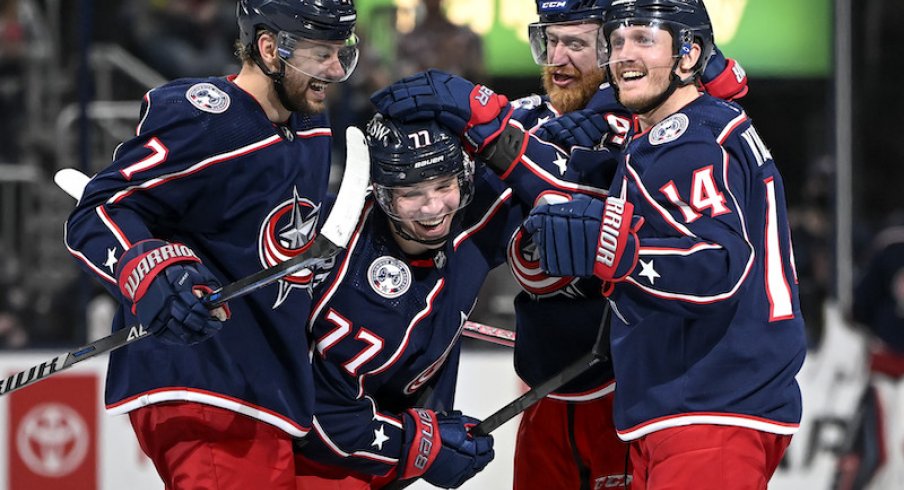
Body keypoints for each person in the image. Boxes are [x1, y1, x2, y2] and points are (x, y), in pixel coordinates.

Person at [64, 1, 359, 488]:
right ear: (269, 49)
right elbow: (101, 209)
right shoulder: (209, 122)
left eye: (340, 54)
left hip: (270, 386)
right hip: (207, 386)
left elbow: (274, 220)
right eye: (318, 54)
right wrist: (149, 271)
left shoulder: (311, 124)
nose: (334, 70)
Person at [518, 0, 806, 488]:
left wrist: (618, 253)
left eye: (645, 40)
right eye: (617, 41)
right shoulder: (696, 127)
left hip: (708, 409)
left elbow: (718, 264)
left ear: (688, 56)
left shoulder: (687, 140)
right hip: (700, 408)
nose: (624, 55)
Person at [293, 114, 523, 488]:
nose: (433, 209)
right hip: (315, 467)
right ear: (382, 193)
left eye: (443, 185)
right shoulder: (349, 282)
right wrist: (420, 445)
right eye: (411, 193)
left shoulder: (473, 210)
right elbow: (324, 417)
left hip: (382, 454)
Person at [834, 223, 904, 490]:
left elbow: (859, 308)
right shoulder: (889, 246)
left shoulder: (888, 246)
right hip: (886, 366)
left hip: (885, 362)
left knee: (881, 451)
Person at [396, 0, 485, 81]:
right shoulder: (408, 42)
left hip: (460, 95)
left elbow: (479, 79)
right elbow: (405, 79)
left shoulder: (465, 37)